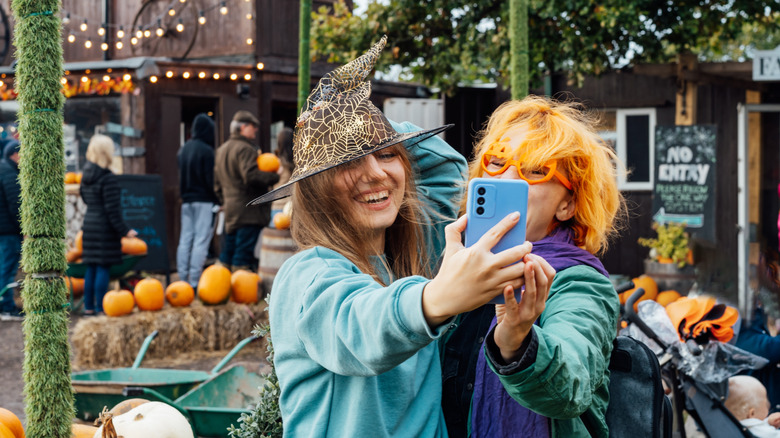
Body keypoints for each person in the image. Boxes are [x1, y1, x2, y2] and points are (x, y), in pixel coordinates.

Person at [251, 36, 549, 437]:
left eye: (387, 153)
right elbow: (362, 326)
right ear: (315, 186)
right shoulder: (307, 275)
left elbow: (447, 170)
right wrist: (439, 296)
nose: (375, 173)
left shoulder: (411, 256)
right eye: (349, 160)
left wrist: (358, 116)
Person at [443, 95, 626, 437]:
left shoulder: (580, 283)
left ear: (568, 204)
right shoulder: (454, 266)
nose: (508, 178)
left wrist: (516, 340)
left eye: (535, 170)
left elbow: (572, 383)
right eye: (496, 162)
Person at [214, 110, 279, 271]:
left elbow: (216, 184)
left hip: (231, 210)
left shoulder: (222, 150)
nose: (255, 130)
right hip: (248, 211)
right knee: (242, 255)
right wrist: (274, 177)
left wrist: (225, 201)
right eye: (253, 126)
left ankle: (222, 290)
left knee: (227, 253)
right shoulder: (246, 149)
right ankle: (240, 291)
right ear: (243, 127)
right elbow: (250, 176)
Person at [80, 134, 137, 315]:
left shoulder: (86, 175)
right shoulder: (108, 178)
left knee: (91, 267)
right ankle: (101, 308)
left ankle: (88, 307)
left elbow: (84, 198)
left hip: (89, 224)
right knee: (103, 267)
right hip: (104, 228)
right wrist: (125, 230)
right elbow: (113, 210)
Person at [176, 113, 218, 288]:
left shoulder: (183, 150)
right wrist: (217, 199)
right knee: (200, 241)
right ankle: (194, 282)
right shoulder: (207, 151)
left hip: (186, 202)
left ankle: (182, 280)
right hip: (204, 201)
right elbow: (210, 181)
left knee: (185, 240)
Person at [0, 140, 23, 320]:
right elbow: (15, 205)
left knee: (4, 268)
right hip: (8, 231)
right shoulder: (9, 173)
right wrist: (23, 228)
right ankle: (6, 307)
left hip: (4, 229)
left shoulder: (3, 168)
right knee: (7, 269)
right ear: (15, 155)